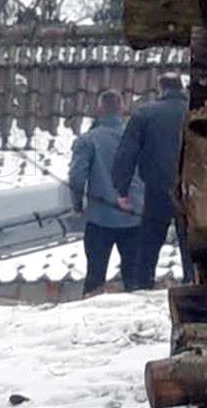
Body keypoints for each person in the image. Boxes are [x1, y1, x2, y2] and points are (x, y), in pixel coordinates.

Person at [112, 72, 192, 289]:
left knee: (149, 241)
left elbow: (127, 153)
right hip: (192, 189)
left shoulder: (145, 114)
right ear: (181, 88)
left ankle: (142, 285)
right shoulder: (194, 112)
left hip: (158, 188)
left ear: (161, 89)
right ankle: (192, 282)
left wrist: (122, 189)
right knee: (190, 240)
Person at [69, 90, 144, 295]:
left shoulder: (88, 140)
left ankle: (91, 315)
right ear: (122, 109)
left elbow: (76, 177)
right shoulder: (137, 137)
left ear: (99, 110)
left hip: (100, 217)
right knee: (134, 278)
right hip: (134, 215)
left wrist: (77, 205)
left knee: (95, 275)